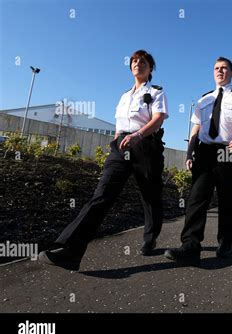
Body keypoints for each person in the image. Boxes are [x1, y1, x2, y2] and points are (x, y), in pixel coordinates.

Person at [39, 50, 169, 270]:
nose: (138, 64)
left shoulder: (156, 91)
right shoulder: (124, 95)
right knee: (102, 194)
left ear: (150, 69)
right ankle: (71, 250)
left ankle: (150, 237)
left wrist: (138, 135)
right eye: (135, 61)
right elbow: (120, 123)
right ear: (130, 67)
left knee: (150, 196)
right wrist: (119, 140)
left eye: (143, 62)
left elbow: (158, 120)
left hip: (146, 145)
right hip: (121, 147)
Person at [164, 57, 232, 264]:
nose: (220, 71)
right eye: (216, 68)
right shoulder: (204, 99)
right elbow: (195, 129)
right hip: (205, 152)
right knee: (197, 198)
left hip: (229, 150)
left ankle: (225, 243)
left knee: (226, 199)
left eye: (224, 68)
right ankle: (190, 246)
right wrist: (189, 153)